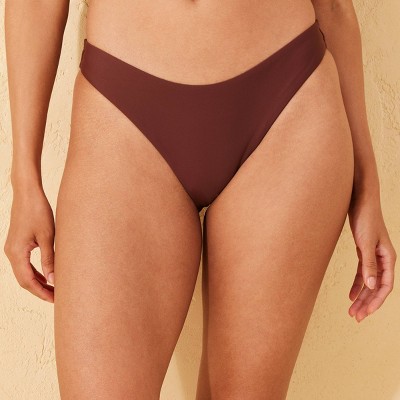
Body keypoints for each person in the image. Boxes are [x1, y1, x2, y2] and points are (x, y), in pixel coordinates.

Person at [3, 0, 397, 399]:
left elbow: (333, 7)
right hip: (122, 114)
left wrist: (367, 187)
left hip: (287, 106)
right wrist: (25, 179)